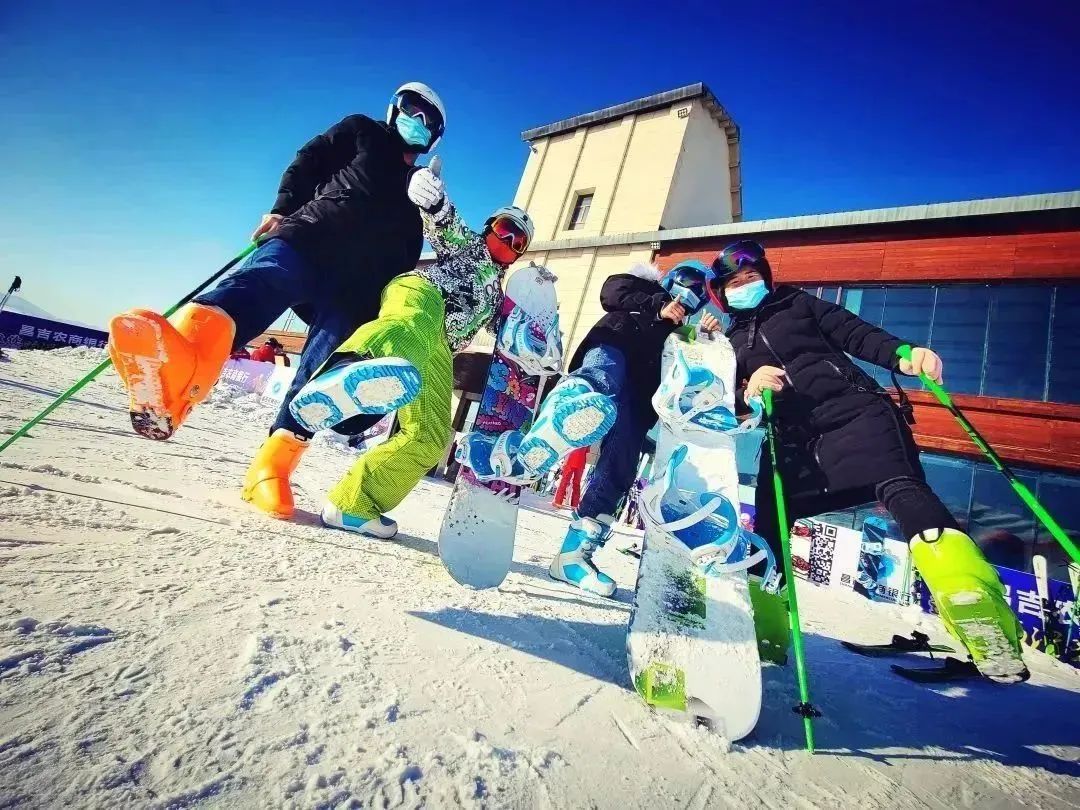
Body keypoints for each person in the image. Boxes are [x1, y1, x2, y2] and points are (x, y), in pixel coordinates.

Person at [107, 82, 447, 507]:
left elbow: (415, 252)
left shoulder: (419, 189)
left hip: (356, 289)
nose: (418, 122)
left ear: (434, 137)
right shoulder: (364, 131)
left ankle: (272, 470)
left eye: (429, 121)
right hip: (311, 237)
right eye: (413, 110)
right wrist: (283, 208)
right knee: (265, 278)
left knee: (320, 374)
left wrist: (430, 208)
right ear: (394, 108)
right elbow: (311, 159)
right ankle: (178, 368)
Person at [712, 239, 1026, 681]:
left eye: (752, 277)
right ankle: (765, 627)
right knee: (769, 525)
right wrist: (747, 384)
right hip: (792, 440)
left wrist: (905, 353)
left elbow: (856, 333)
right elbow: (727, 400)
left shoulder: (798, 304)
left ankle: (972, 602)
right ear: (721, 293)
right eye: (735, 282)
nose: (745, 285)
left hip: (853, 413)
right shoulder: (728, 340)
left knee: (900, 486)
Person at [280, 169, 538, 536]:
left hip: (440, 348)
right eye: (503, 229)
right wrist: (434, 201)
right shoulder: (469, 247)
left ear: (518, 255)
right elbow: (445, 225)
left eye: (518, 242)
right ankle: (347, 369)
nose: (508, 240)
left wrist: (534, 328)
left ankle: (353, 504)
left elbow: (505, 333)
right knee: (412, 329)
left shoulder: (496, 296)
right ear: (488, 228)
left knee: (430, 437)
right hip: (421, 296)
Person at [505, 261, 723, 596]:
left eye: (699, 298)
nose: (691, 299)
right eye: (690, 288)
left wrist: (706, 339)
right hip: (615, 346)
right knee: (602, 379)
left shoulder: (680, 333)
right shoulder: (644, 289)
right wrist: (657, 305)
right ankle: (561, 417)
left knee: (621, 463)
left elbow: (691, 368)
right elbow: (611, 290)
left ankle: (573, 557)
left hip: (637, 395)